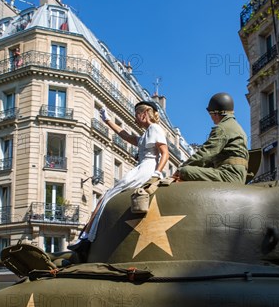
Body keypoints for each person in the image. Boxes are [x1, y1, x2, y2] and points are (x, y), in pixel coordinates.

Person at [74, 100, 169, 245]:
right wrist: (107, 121)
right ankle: (88, 234)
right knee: (107, 196)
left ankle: (87, 235)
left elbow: (165, 153)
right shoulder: (147, 133)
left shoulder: (155, 129)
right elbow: (126, 136)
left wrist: (156, 172)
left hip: (146, 168)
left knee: (107, 195)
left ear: (144, 114)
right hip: (143, 167)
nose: (134, 119)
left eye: (136, 115)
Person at [174, 92, 249, 183]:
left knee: (185, 171)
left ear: (216, 113)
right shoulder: (236, 127)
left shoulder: (222, 128)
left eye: (211, 115)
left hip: (228, 175)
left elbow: (206, 153)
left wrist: (179, 169)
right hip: (237, 175)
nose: (212, 118)